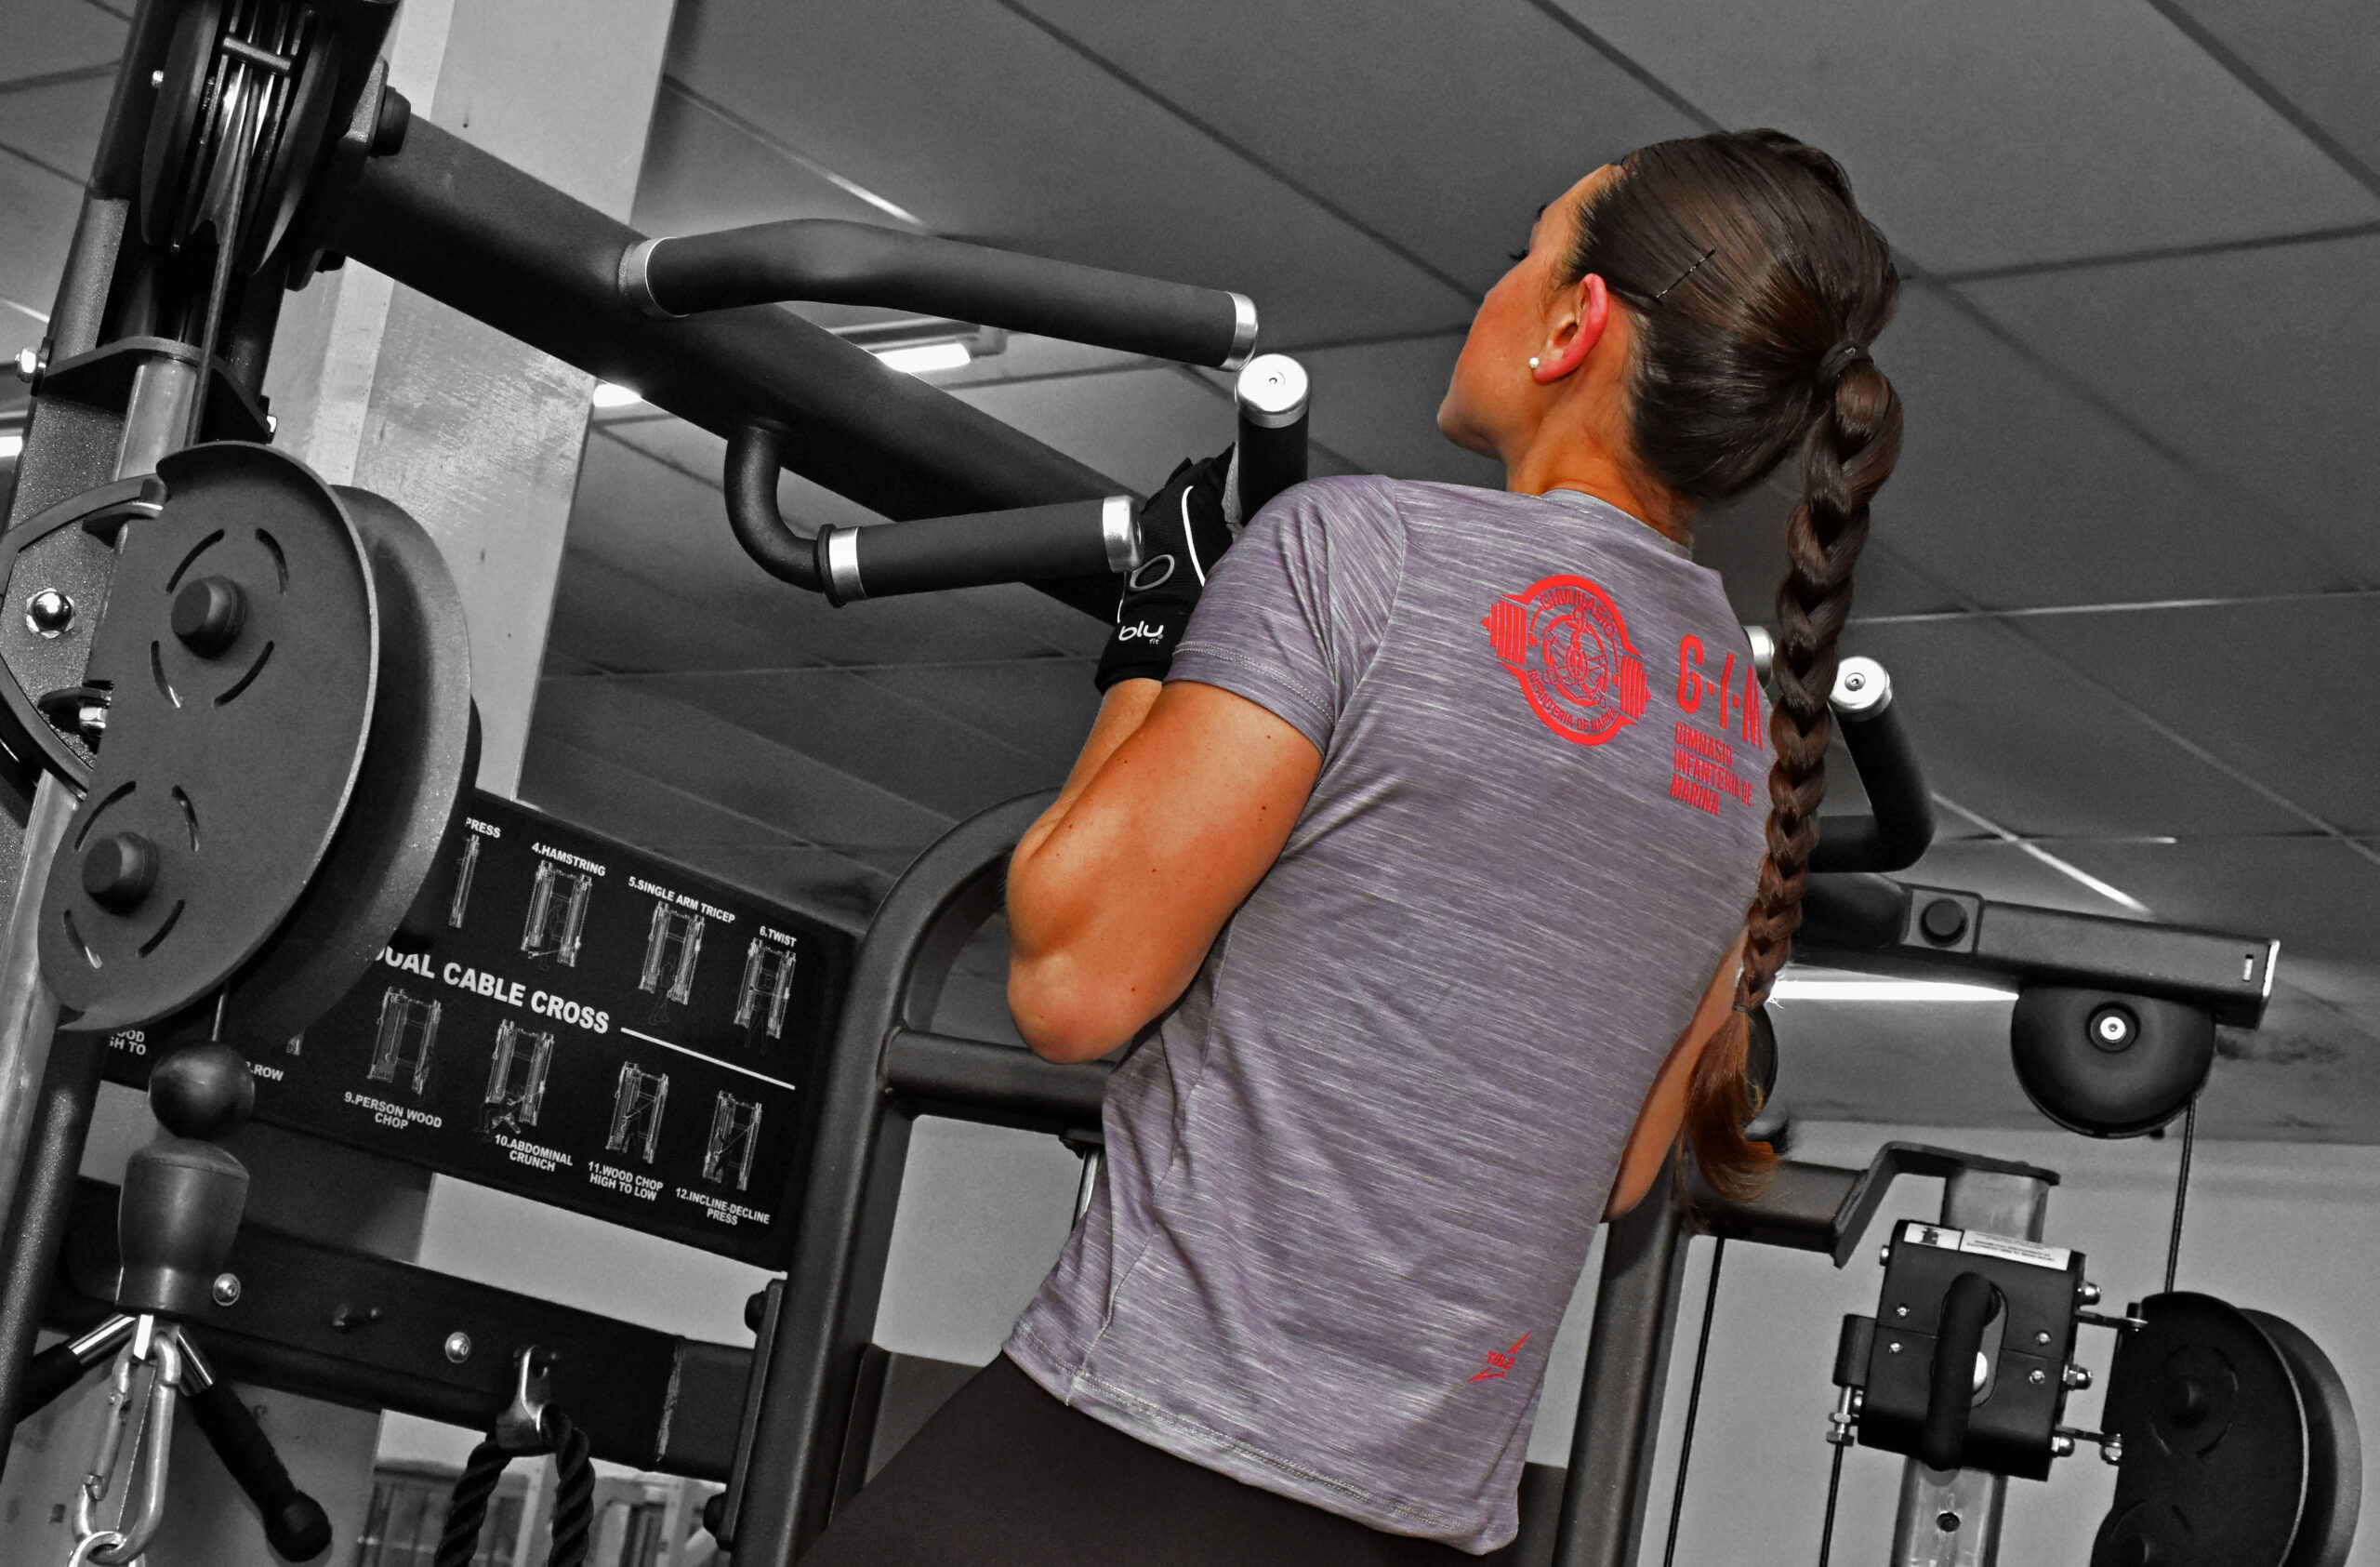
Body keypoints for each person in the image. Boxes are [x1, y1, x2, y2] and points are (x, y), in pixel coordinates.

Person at [798, 128, 1903, 1564]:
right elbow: (1626, 1168)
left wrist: (1158, 634)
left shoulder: (1357, 552)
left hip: (1128, 1467)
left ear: (1575, 323)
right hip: (1417, 1531)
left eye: (1525, 252)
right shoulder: (1743, 735)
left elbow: (1071, 982)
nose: (1495, 287)